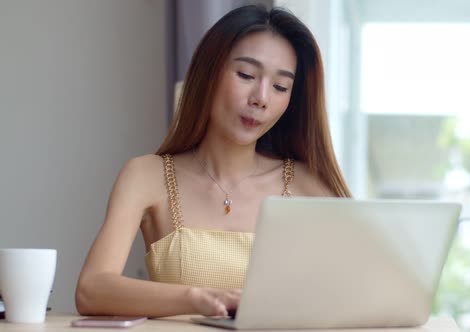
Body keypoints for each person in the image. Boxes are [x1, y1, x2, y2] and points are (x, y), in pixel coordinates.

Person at [75, 4, 351, 318]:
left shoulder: (309, 184)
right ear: (209, 73)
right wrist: (198, 298)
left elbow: (363, 288)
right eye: (246, 75)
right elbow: (92, 289)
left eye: (280, 87)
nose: (261, 97)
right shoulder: (146, 176)